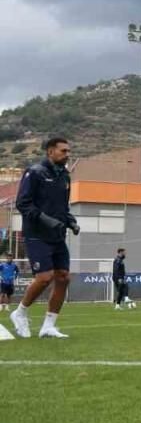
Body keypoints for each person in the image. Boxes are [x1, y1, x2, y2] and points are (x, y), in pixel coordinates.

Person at [10, 137, 78, 339]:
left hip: (57, 236)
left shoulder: (65, 176)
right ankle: (20, 312)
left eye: (68, 151)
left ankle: (48, 326)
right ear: (50, 151)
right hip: (37, 234)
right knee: (44, 278)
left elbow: (63, 207)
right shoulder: (35, 172)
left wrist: (71, 221)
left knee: (63, 277)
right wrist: (46, 220)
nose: (67, 155)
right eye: (63, 151)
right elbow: (23, 203)